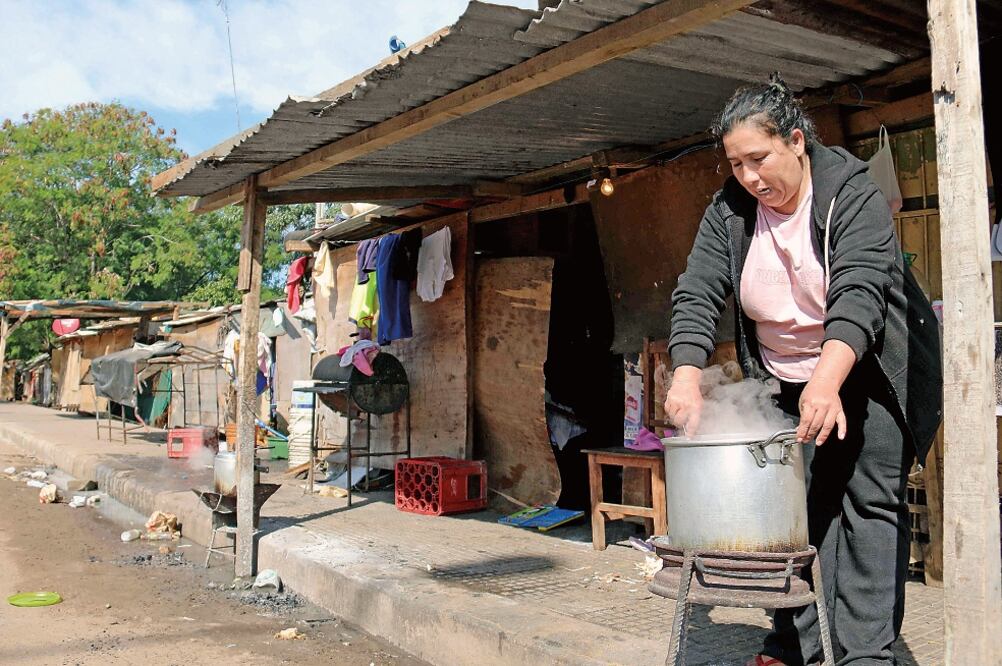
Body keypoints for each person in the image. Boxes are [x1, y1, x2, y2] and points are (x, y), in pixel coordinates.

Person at [664, 76, 943, 666]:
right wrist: (685, 372)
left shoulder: (852, 193)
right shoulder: (730, 209)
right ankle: (797, 645)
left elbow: (860, 291)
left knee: (867, 508)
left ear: (796, 141)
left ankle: (867, 654)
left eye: (759, 159)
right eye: (736, 164)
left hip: (869, 370)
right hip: (787, 378)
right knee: (797, 514)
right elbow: (697, 289)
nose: (749, 177)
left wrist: (827, 379)